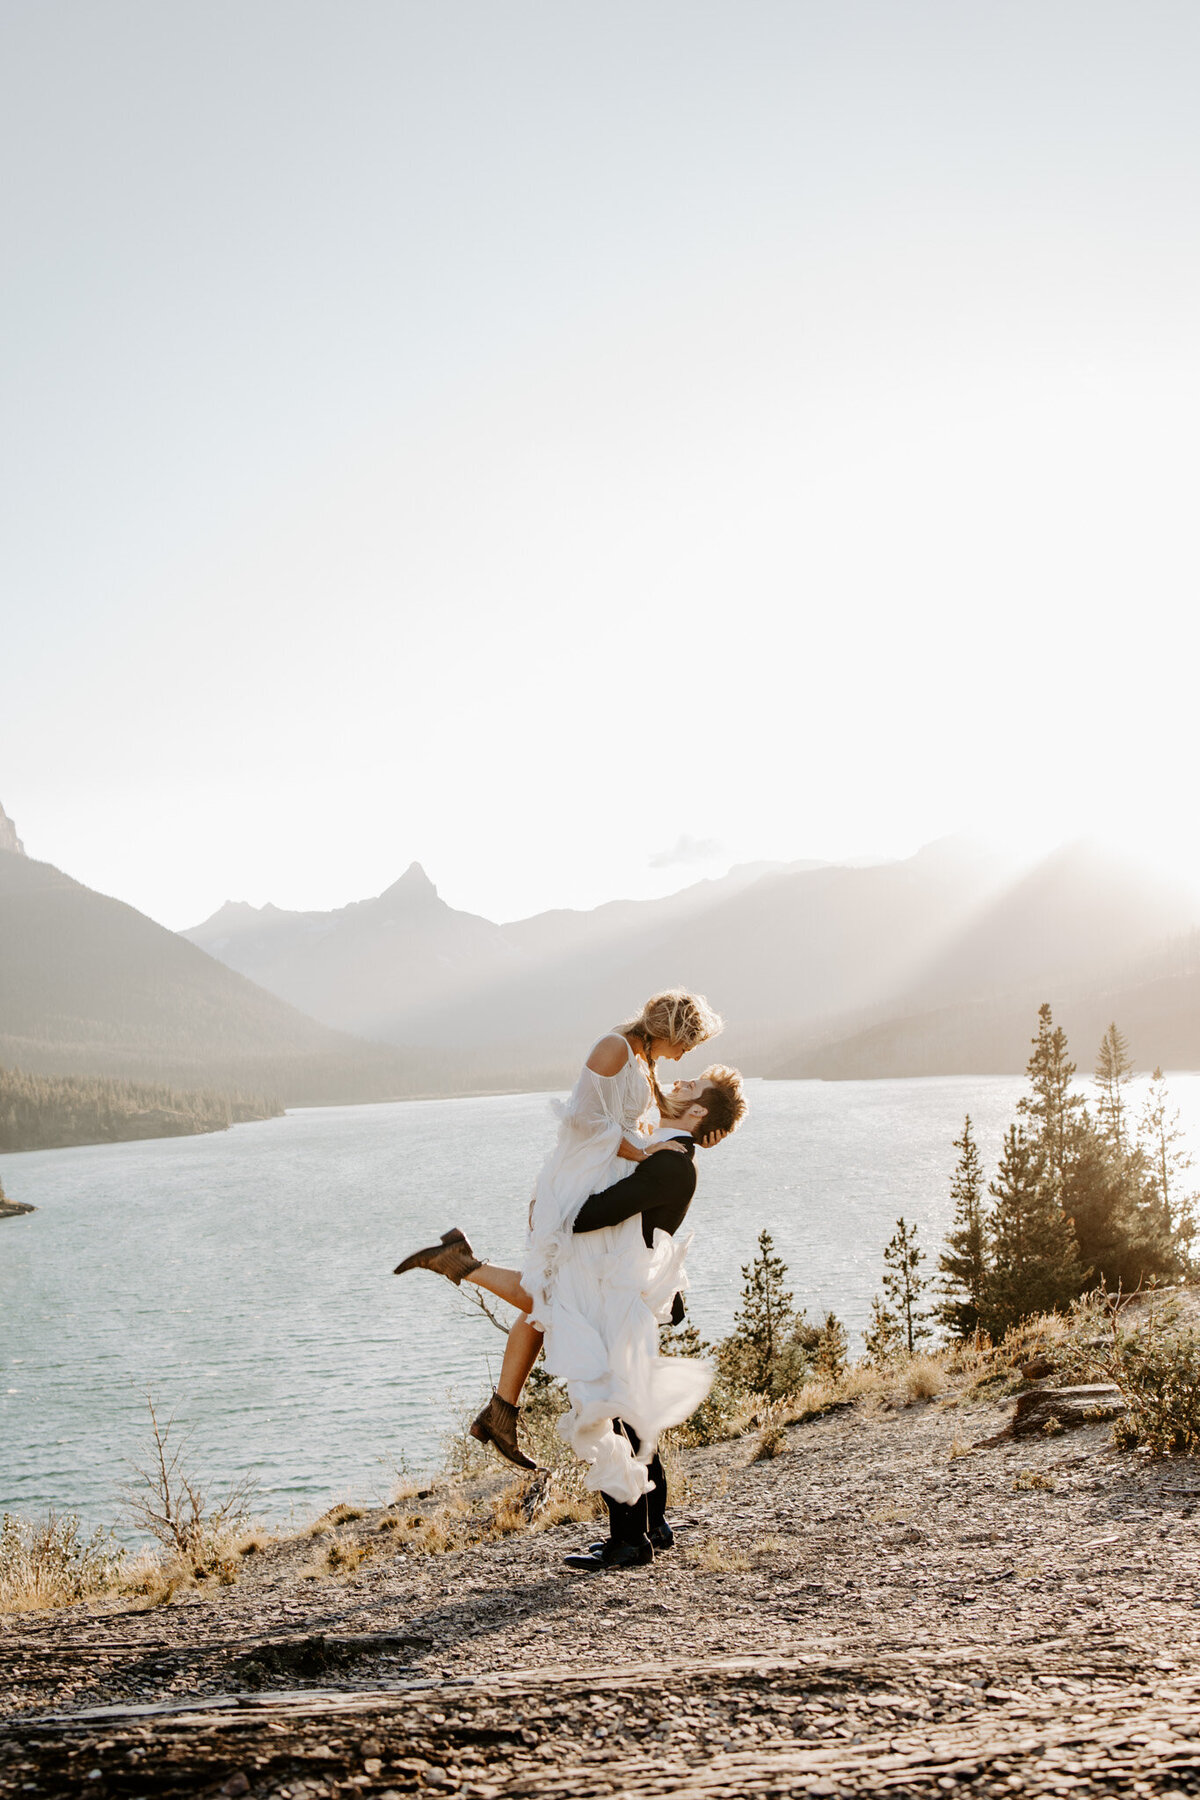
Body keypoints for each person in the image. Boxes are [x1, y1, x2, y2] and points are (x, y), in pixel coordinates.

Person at [396, 1065, 747, 1516]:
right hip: (612, 1284)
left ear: (697, 1109)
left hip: (617, 1291)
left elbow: (588, 1214)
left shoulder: (669, 1161)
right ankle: (647, 1529)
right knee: (625, 1412)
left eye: (691, 1085)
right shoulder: (662, 1150)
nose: (679, 1082)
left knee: (608, 1408)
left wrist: (553, 1208)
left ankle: (632, 1537)